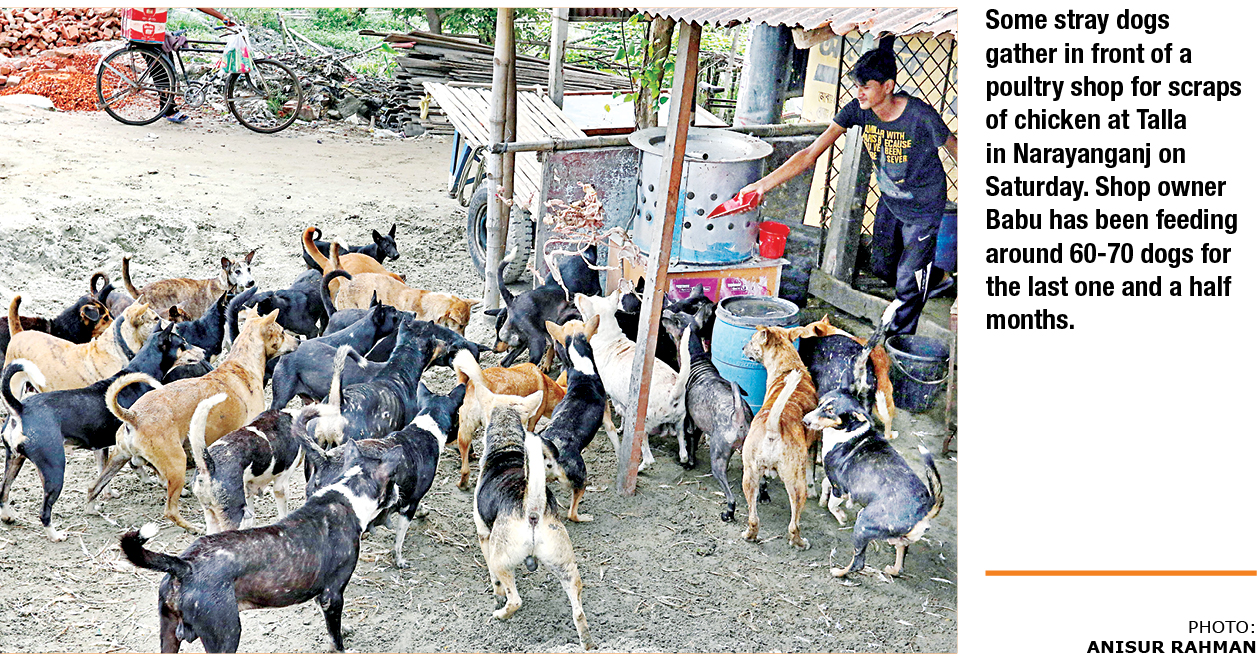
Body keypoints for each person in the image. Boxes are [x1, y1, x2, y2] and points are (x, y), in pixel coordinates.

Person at [740, 48, 958, 336]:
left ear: (888, 86)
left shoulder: (919, 115)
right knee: (883, 268)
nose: (859, 93)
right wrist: (762, 185)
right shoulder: (858, 110)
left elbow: (955, 148)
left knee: (908, 281)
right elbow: (810, 153)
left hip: (925, 206)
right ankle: (937, 276)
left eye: (866, 86)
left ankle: (898, 344)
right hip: (891, 202)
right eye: (857, 86)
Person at [130, 8, 235, 123]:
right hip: (145, 34)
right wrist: (222, 17)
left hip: (152, 32)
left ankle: (166, 108)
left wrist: (222, 17)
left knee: (168, 72)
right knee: (163, 74)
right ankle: (169, 110)